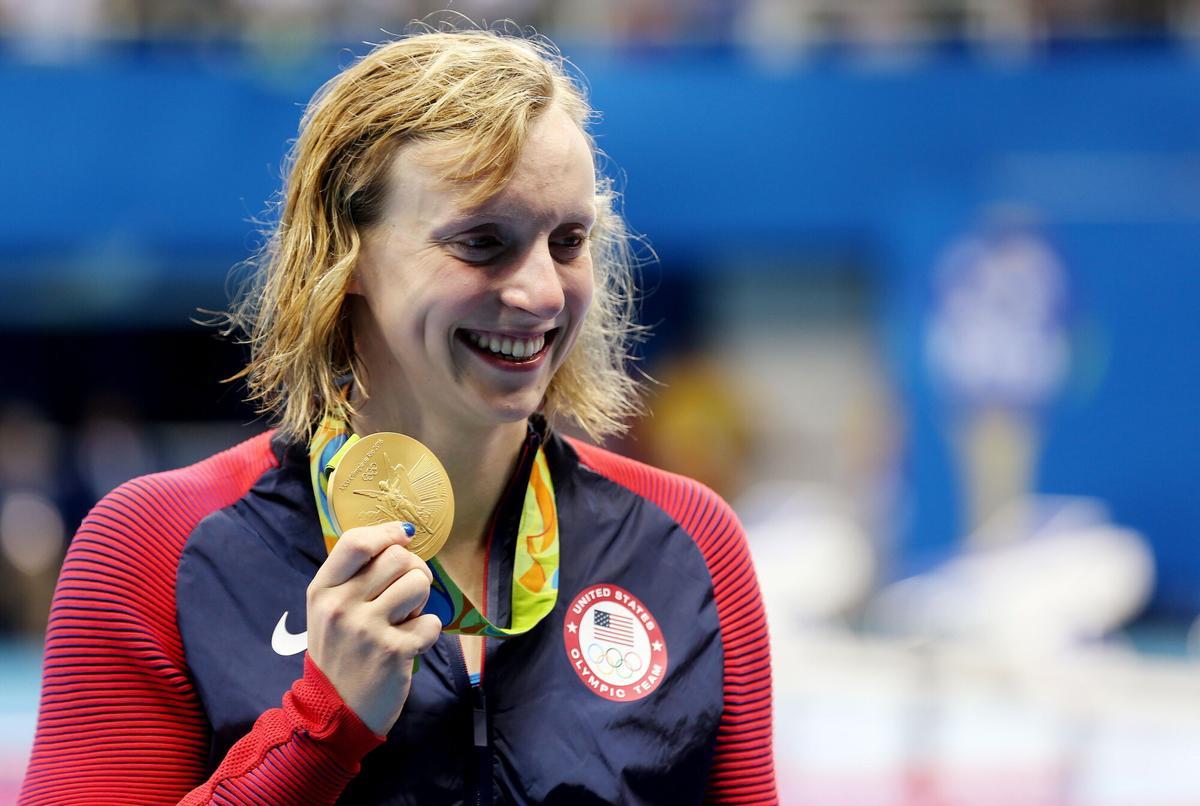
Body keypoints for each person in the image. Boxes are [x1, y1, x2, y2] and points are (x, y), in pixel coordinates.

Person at [21, 25, 776, 805]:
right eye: (482, 242)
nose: (542, 294)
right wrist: (324, 728)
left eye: (567, 241)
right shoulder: (158, 547)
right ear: (343, 255)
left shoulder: (687, 545)